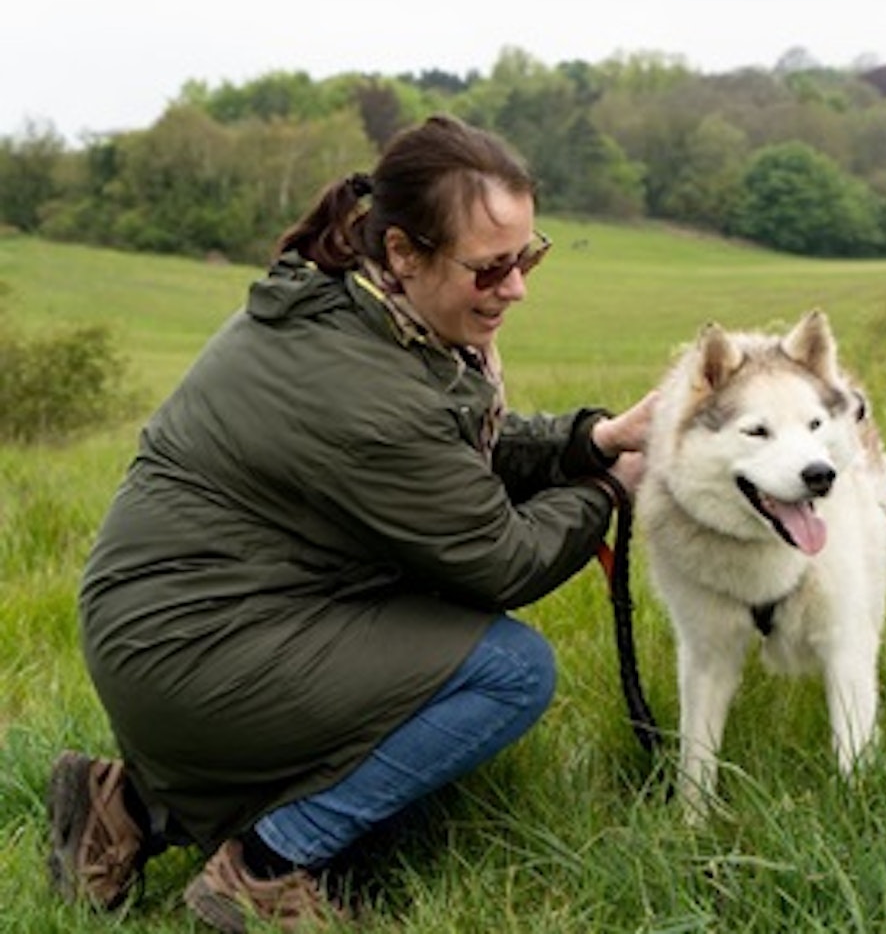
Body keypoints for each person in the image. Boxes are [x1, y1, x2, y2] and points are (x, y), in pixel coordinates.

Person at [47, 114, 654, 931]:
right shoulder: (361, 383)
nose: (516, 288)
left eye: (527, 257)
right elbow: (501, 559)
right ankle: (267, 866)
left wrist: (593, 439)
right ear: (403, 251)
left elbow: (450, 446)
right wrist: (608, 490)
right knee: (509, 670)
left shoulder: (358, 307)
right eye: (490, 267)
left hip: (184, 626)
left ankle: (128, 809)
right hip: (192, 646)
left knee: (423, 722)